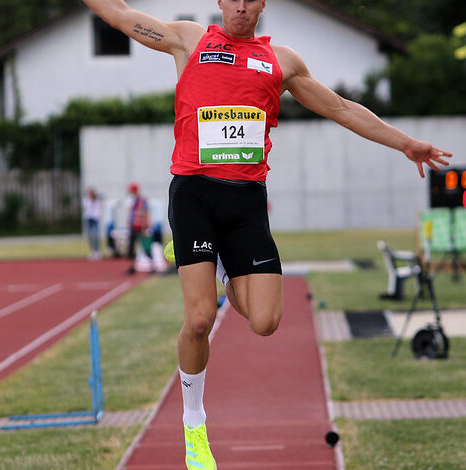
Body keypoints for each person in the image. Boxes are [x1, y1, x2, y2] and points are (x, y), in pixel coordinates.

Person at [82, 1, 452, 468]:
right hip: (194, 192)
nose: (240, 5)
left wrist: (405, 142)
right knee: (199, 320)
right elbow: (118, 15)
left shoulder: (283, 61)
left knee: (265, 321)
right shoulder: (190, 40)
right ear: (220, 1)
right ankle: (194, 425)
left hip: (246, 201)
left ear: (261, 4)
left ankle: (216, 264)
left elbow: (339, 107)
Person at [126, 182, 151, 273]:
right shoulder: (133, 200)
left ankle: (152, 265)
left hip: (140, 227)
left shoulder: (142, 200)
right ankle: (132, 267)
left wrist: (144, 227)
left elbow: (145, 213)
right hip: (134, 226)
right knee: (131, 247)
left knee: (145, 246)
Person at [82, 187, 102, 260]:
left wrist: (96, 196)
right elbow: (86, 206)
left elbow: (101, 198)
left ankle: (97, 251)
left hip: (95, 218)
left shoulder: (97, 200)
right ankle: (92, 251)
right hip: (88, 218)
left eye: (91, 193)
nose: (89, 194)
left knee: (96, 235)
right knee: (90, 236)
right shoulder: (86, 200)